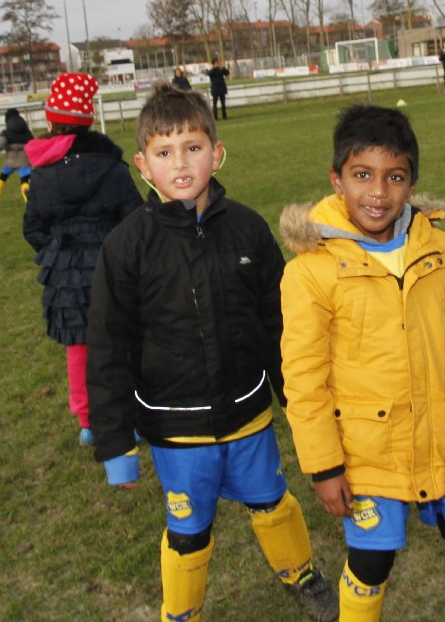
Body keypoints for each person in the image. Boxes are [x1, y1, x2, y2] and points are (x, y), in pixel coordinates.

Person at [85, 83, 337, 622]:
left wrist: (302, 408)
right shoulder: (125, 247)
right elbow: (106, 347)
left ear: (217, 154)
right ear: (142, 165)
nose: (180, 163)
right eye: (164, 152)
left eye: (193, 147)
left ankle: (300, 573)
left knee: (272, 503)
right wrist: (115, 442)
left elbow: (281, 326)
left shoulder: (247, 229)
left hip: (247, 415)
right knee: (188, 532)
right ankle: (180, 612)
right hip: (177, 429)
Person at [278, 105, 445, 622]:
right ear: (337, 180)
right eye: (362, 175)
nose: (378, 193)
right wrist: (324, 466)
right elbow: (304, 379)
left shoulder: (441, 249)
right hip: (367, 453)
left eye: (394, 177)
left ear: (412, 183)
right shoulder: (310, 272)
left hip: (442, 436)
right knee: (372, 560)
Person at [23, 73, 142, 446]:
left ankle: (88, 421)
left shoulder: (42, 175)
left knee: (79, 349)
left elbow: (33, 227)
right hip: (112, 268)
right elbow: (135, 218)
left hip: (68, 278)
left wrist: (58, 253)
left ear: (52, 122)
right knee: (122, 344)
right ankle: (131, 415)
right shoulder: (113, 168)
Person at [0, 108, 34, 207]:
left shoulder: (6, 132)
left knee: (2, 179)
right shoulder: (27, 132)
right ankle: (28, 200)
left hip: (10, 161)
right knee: (25, 181)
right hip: (24, 161)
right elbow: (33, 143)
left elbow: (1, 142)